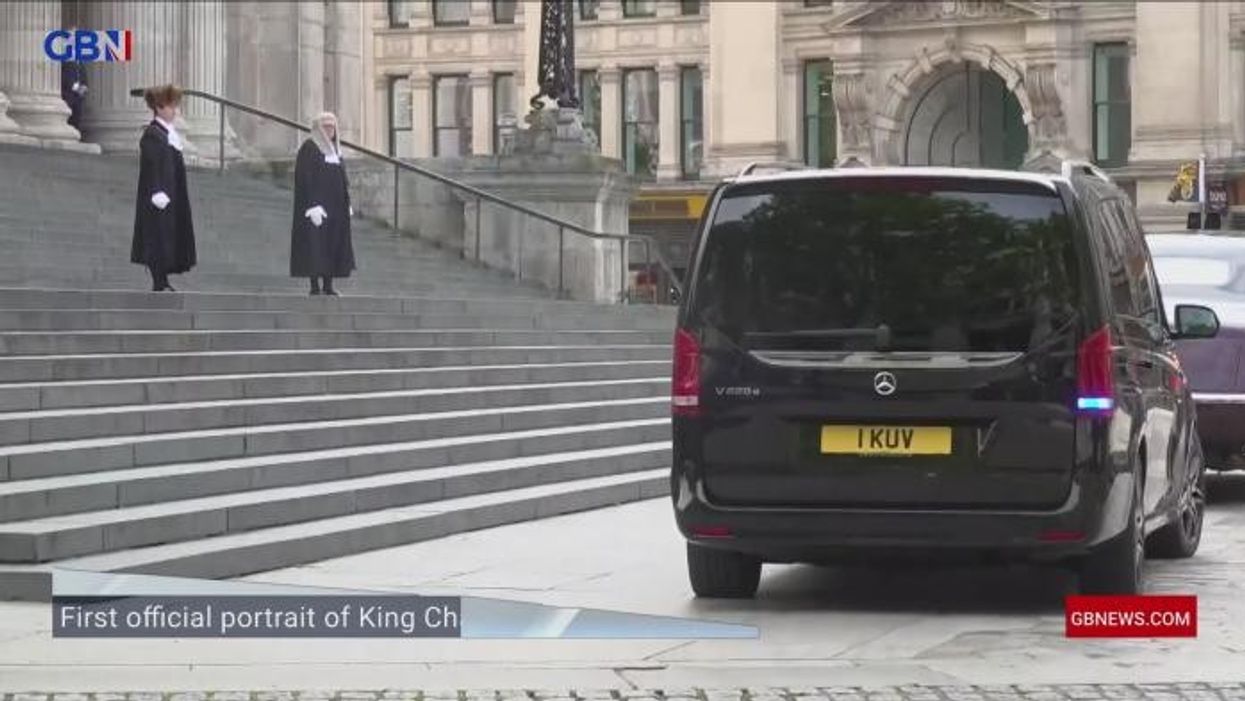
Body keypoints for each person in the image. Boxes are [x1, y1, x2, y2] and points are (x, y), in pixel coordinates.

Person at [130, 84, 195, 292]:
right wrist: (157, 190)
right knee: (158, 235)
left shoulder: (167, 134)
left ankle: (164, 278)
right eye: (170, 106)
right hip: (159, 195)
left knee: (168, 234)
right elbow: (152, 165)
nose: (174, 110)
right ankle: (159, 279)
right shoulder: (153, 134)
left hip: (172, 193)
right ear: (158, 108)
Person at [291, 112, 355, 296]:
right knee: (315, 245)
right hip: (317, 206)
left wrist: (346, 202)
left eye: (332, 126)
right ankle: (314, 285)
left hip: (336, 206)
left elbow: (342, 178)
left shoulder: (335, 150)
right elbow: (305, 178)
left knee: (332, 244)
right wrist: (312, 205)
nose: (330, 130)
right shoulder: (310, 148)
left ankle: (328, 284)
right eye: (326, 126)